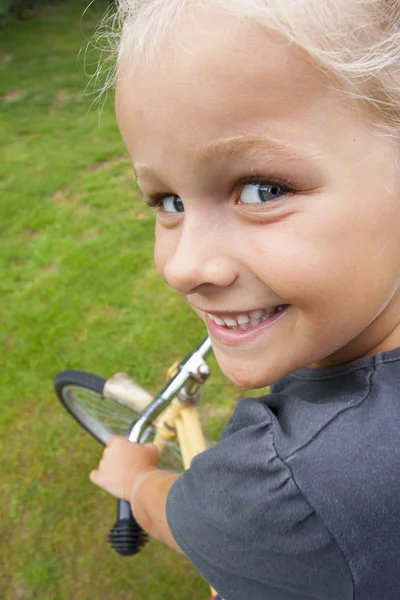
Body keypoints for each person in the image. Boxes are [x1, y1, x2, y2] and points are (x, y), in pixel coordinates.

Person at [89, 1, 400, 598]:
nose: (182, 269)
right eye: (168, 202)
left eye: (262, 189)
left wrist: (136, 485)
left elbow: (184, 517)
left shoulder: (290, 482)